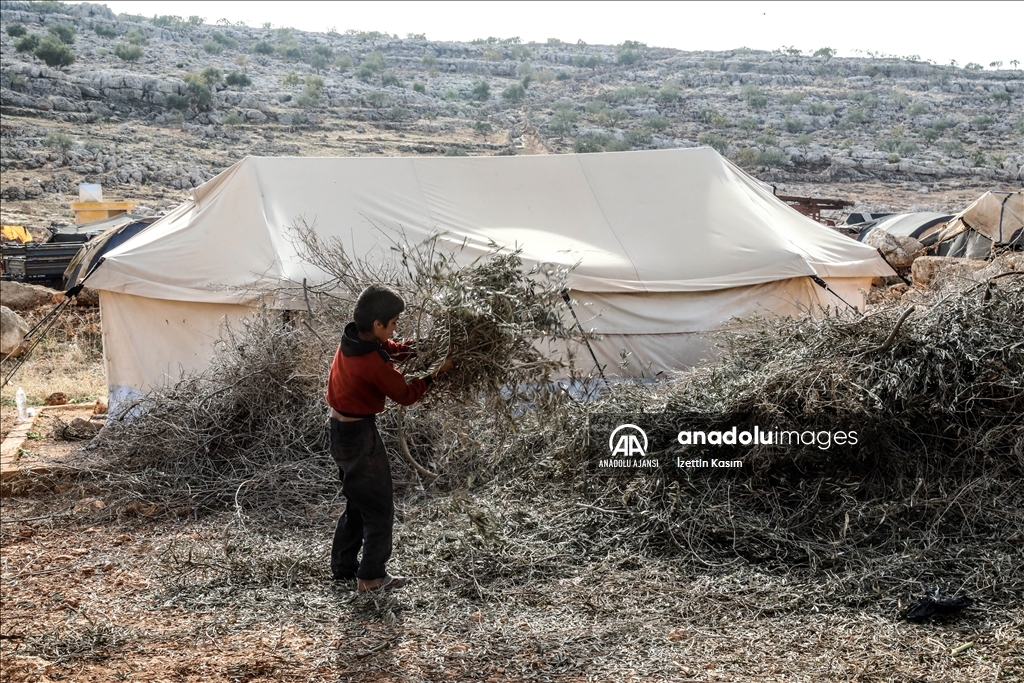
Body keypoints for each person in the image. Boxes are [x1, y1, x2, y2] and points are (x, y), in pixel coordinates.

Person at [325, 284, 453, 592]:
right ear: (378, 324)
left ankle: (344, 568)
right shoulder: (370, 363)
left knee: (357, 502)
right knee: (379, 508)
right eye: (393, 323)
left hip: (339, 430)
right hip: (358, 437)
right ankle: (370, 577)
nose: (396, 327)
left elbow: (390, 349)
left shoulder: (354, 340)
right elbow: (405, 394)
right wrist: (435, 373)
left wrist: (420, 347)